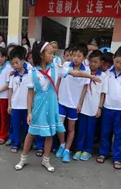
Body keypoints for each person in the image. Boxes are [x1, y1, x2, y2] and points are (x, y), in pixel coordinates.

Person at [14, 41, 94, 172]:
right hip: (38, 106)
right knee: (31, 133)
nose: (53, 55)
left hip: (51, 106)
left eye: (53, 52)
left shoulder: (56, 68)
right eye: (50, 53)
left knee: (50, 133)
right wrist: (29, 112)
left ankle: (46, 160)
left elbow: (75, 73)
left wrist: (90, 76)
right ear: (41, 55)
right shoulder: (32, 72)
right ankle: (23, 158)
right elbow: (29, 94)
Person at [97, 47, 121, 170]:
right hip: (108, 108)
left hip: (120, 110)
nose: (118, 65)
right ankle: (103, 153)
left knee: (119, 135)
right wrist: (101, 107)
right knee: (105, 132)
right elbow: (103, 92)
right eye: (117, 62)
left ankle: (117, 157)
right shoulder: (107, 73)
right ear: (113, 59)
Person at [56, 46, 92, 163]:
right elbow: (59, 78)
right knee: (59, 125)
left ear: (84, 57)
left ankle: (67, 150)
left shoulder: (86, 70)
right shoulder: (66, 65)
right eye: (74, 55)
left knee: (71, 128)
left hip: (74, 104)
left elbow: (85, 88)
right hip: (62, 100)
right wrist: (56, 91)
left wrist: (80, 103)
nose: (75, 58)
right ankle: (62, 144)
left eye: (79, 56)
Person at [74, 50, 106, 161]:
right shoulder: (85, 73)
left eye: (95, 62)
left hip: (94, 108)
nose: (93, 64)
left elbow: (102, 94)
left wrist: (99, 108)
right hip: (83, 107)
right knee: (81, 129)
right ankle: (79, 148)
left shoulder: (104, 76)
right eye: (91, 61)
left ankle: (87, 150)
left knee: (90, 130)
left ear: (101, 63)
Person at [8, 46, 30, 153]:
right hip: (15, 105)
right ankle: (16, 143)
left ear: (22, 61)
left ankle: (27, 144)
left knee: (27, 126)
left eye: (16, 62)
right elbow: (10, 90)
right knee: (16, 126)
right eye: (12, 63)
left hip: (27, 106)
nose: (14, 65)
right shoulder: (13, 76)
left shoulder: (30, 73)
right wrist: (9, 105)